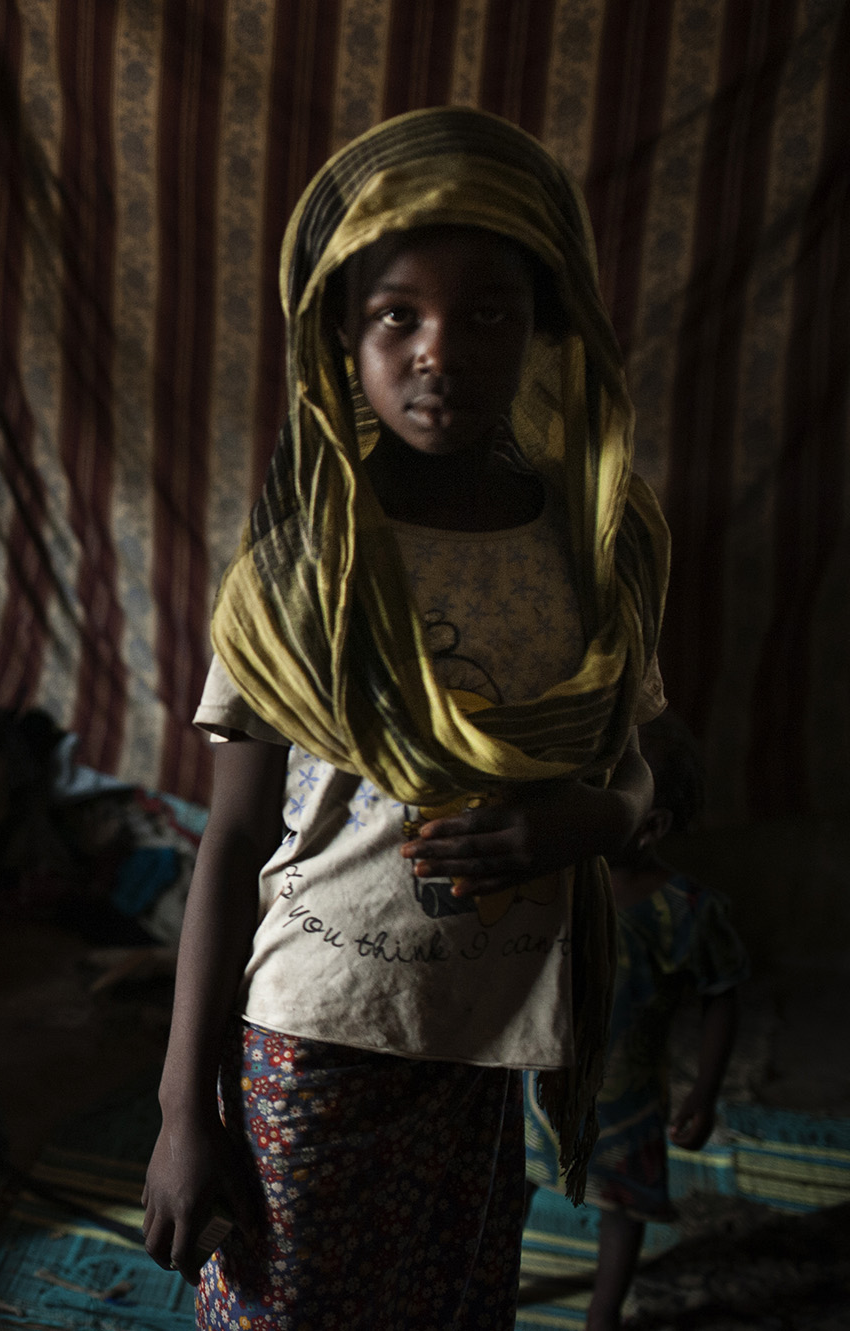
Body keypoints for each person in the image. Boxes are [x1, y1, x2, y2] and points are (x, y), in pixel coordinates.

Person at [140, 106, 672, 1329]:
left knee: (449, 1305)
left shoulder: (591, 550)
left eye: (485, 313)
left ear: (545, 325)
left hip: (490, 1039)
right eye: (397, 316)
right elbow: (229, 840)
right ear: (339, 331)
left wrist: (587, 819)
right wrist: (181, 1113)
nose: (440, 350)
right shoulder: (299, 571)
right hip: (314, 1038)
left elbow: (631, 767)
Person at [524, 711, 747, 1330]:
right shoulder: (557, 881)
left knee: (621, 1207)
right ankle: (492, 1283)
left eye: (601, 800)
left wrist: (703, 1093)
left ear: (648, 827)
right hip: (534, 1090)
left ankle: (604, 1315)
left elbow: (723, 995)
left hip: (623, 1103)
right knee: (508, 1184)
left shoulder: (685, 912)